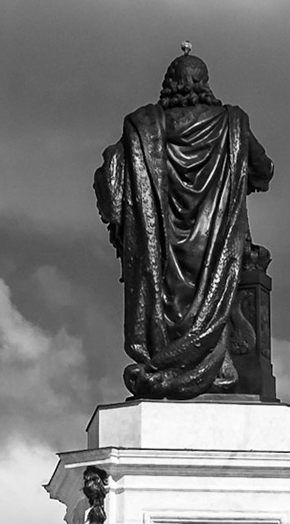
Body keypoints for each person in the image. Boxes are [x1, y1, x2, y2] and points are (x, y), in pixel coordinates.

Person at [95, 46, 274, 399]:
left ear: (169, 84)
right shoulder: (232, 123)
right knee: (215, 297)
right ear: (203, 83)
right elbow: (263, 169)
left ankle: (166, 365)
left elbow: (111, 174)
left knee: (166, 299)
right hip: (217, 242)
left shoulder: (145, 125)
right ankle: (218, 369)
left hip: (161, 245)